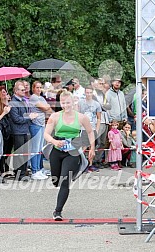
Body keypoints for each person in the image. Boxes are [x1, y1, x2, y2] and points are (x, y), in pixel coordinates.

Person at [44, 90, 95, 221]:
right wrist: (55, 141)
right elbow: (46, 134)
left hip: (73, 152)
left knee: (65, 181)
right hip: (57, 151)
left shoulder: (81, 117)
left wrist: (92, 149)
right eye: (63, 103)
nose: (65, 105)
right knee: (56, 180)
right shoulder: (55, 116)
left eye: (68, 102)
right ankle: (57, 181)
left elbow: (90, 132)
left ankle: (58, 211)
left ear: (73, 102)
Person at [9, 80, 38, 181]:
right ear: (16, 90)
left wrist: (30, 116)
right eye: (22, 90)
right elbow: (16, 118)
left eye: (24, 89)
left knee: (25, 153)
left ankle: (24, 171)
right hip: (18, 131)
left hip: (25, 130)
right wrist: (29, 117)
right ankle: (19, 173)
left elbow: (23, 116)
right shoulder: (13, 102)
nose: (24, 91)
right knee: (19, 153)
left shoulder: (22, 100)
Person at [29, 81, 51, 180]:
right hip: (36, 124)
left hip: (42, 124)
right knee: (35, 149)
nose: (38, 89)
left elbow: (48, 109)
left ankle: (38, 168)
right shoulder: (33, 97)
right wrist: (46, 107)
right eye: (37, 87)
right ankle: (34, 170)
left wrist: (46, 107)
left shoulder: (41, 98)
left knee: (40, 149)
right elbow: (45, 107)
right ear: (33, 88)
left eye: (40, 87)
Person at [78, 85, 101, 171]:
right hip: (83, 128)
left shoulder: (96, 104)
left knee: (92, 147)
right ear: (85, 93)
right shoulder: (80, 103)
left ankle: (90, 164)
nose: (88, 94)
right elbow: (77, 114)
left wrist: (97, 129)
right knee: (84, 147)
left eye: (90, 92)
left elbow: (99, 117)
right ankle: (82, 164)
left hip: (93, 128)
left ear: (92, 93)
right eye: (87, 92)